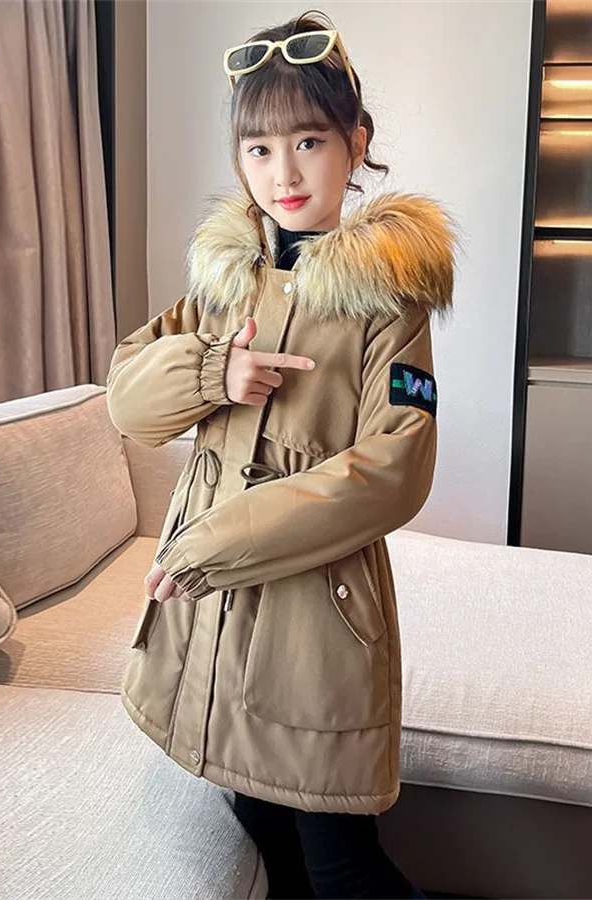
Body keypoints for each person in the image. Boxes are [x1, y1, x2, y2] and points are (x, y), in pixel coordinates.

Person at [105, 9, 458, 898]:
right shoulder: (224, 278)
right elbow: (127, 402)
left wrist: (212, 545)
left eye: (308, 141)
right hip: (210, 613)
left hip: (311, 617)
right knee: (257, 827)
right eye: (259, 149)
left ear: (356, 143)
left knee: (342, 865)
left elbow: (397, 466)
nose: (284, 173)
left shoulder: (389, 298)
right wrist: (214, 371)